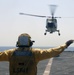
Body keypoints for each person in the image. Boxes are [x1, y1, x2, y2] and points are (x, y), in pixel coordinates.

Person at [0, 33, 74, 75]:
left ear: (18, 43)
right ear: (30, 42)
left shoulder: (10, 53)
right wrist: (65, 45)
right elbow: (52, 52)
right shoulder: (35, 53)